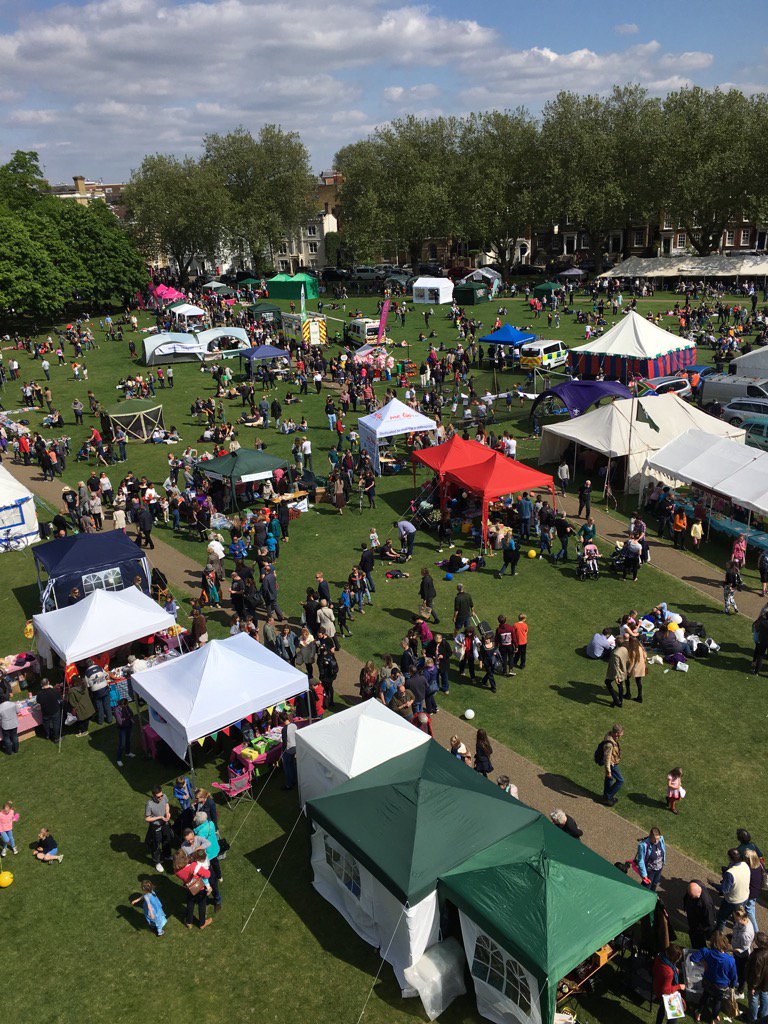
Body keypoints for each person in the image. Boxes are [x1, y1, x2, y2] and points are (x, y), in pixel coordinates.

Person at [689, 932, 738, 1023]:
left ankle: (698, 1013)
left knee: (705, 996)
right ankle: (713, 1019)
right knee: (717, 1001)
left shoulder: (706, 952)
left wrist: (703, 962)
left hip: (708, 981)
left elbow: (693, 958)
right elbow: (733, 975)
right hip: (721, 986)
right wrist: (733, 985)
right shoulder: (730, 959)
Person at [174, 849, 213, 930]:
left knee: (190, 903)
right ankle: (202, 923)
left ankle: (189, 922)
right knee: (202, 905)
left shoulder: (176, 870)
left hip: (190, 888)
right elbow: (208, 874)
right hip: (200, 888)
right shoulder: (194, 866)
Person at [715, 848, 751, 931]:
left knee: (722, 918)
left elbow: (724, 890)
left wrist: (713, 884)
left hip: (732, 901)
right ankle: (736, 934)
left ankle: (718, 936)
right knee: (738, 919)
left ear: (730, 858)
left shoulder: (730, 873)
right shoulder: (745, 865)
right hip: (744, 897)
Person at [652, 945, 686, 1024]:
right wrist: (679, 986)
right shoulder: (669, 973)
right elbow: (666, 990)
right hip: (664, 993)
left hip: (657, 985)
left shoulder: (660, 957)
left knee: (662, 1008)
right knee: (674, 1015)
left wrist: (674, 971)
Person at [145, 786, 172, 872]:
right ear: (153, 795)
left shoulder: (164, 796)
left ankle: (167, 855)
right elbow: (147, 818)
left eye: (161, 795)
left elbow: (167, 804)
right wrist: (160, 817)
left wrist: (167, 812)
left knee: (167, 840)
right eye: (158, 797)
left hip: (165, 824)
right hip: (156, 827)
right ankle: (157, 862)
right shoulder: (149, 804)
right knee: (156, 845)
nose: (161, 798)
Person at [684, 880, 716, 949]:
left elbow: (709, 920)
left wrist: (702, 929)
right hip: (693, 917)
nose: (698, 897)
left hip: (699, 925)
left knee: (698, 941)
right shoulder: (693, 885)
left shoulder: (706, 903)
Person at [731, 906, 755, 992]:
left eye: (735, 918)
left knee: (742, 972)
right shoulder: (740, 922)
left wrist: (731, 949)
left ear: (742, 918)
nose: (734, 919)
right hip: (736, 951)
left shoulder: (746, 934)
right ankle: (737, 981)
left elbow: (743, 948)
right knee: (737, 968)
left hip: (742, 955)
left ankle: (741, 990)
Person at [599, 723, 624, 806]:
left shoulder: (610, 735)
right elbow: (607, 758)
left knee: (609, 779)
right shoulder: (609, 744)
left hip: (612, 763)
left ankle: (606, 796)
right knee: (620, 781)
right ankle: (608, 797)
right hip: (612, 764)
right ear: (616, 733)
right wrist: (608, 771)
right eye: (620, 733)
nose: (621, 735)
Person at [746, 932, 768, 1024]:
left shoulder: (758, 956)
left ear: (758, 942)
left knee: (754, 999)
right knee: (764, 996)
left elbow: (756, 974)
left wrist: (752, 987)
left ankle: (753, 1019)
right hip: (766, 981)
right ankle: (764, 1015)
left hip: (757, 983)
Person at [604, 641, 630, 707]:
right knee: (620, 685)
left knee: (607, 682)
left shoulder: (615, 653)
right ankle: (620, 701)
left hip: (616, 672)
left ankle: (616, 700)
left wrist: (616, 677)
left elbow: (616, 666)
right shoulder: (625, 649)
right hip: (623, 670)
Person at [36, 678, 62, 742]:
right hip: (54, 710)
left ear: (42, 684)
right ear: (48, 682)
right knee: (56, 724)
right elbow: (59, 698)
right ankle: (56, 737)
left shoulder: (39, 693)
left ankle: (48, 735)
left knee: (46, 724)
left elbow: (38, 701)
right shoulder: (54, 691)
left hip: (46, 712)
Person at [114, 698, 135, 767]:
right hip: (122, 728)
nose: (127, 706)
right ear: (122, 704)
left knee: (128, 740)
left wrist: (127, 718)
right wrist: (127, 718)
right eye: (125, 705)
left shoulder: (126, 707)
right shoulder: (117, 710)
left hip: (128, 726)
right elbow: (120, 722)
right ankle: (118, 759)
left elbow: (131, 713)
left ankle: (128, 752)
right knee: (122, 744)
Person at [280, 712, 298, 790]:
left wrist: (282, 753)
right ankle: (294, 779)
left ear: (281, 720)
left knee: (287, 767)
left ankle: (289, 784)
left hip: (288, 749)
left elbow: (284, 743)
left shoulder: (284, 729)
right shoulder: (294, 725)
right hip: (295, 747)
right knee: (293, 765)